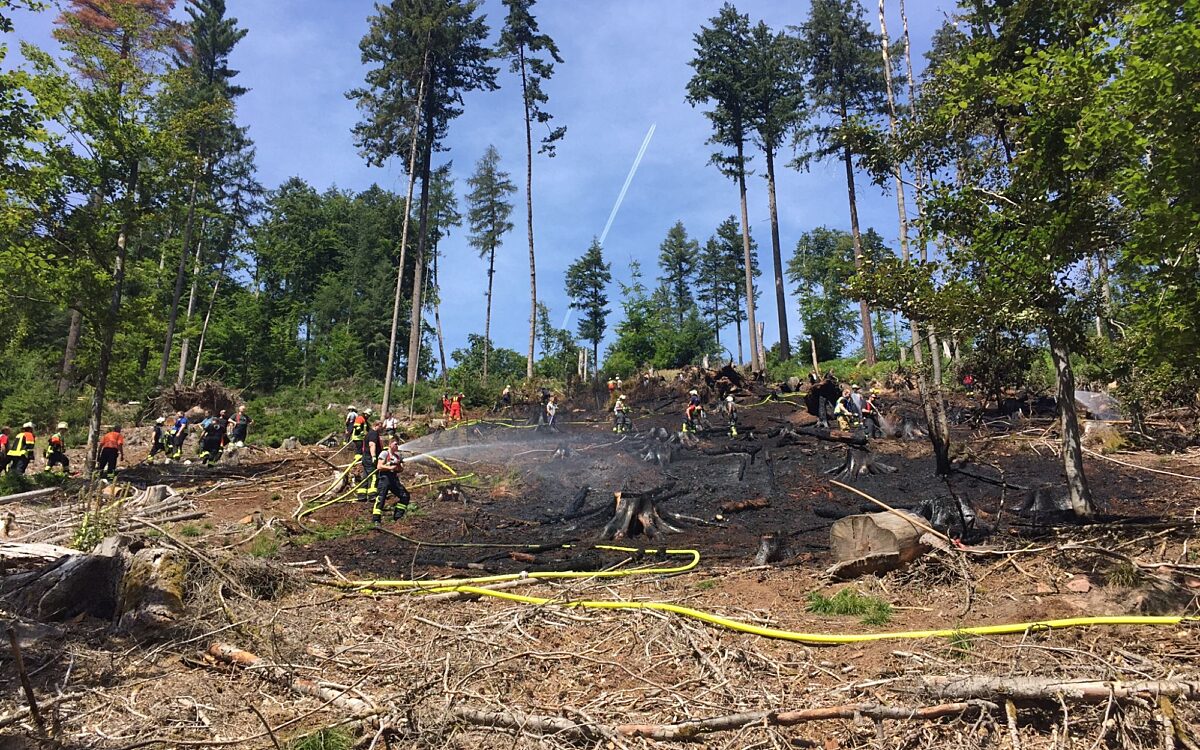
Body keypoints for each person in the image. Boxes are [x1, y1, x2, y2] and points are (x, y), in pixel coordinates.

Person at [373, 438, 410, 524]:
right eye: (395, 444)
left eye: (398, 444)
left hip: (393, 478)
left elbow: (401, 470)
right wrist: (390, 467)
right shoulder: (384, 453)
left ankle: (398, 517)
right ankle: (376, 520)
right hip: (384, 478)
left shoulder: (397, 456)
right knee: (381, 498)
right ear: (390, 445)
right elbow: (379, 466)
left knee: (405, 496)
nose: (397, 446)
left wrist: (398, 465)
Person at [356, 420, 383, 501]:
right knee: (374, 475)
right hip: (370, 458)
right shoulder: (373, 433)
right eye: (380, 426)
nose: (381, 428)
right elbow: (372, 444)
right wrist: (373, 456)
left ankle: (362, 495)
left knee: (366, 476)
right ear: (376, 425)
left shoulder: (369, 433)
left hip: (366, 457)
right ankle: (372, 495)